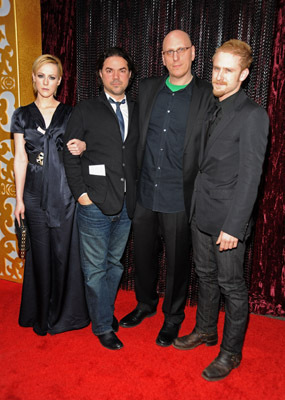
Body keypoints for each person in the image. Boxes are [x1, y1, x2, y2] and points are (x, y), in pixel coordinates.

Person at [173, 40, 269, 381]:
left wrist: (234, 225)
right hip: (202, 211)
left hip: (228, 220)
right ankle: (206, 330)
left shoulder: (253, 116)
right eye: (215, 68)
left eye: (227, 70)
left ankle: (230, 352)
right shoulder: (211, 107)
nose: (218, 76)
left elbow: (251, 178)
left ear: (243, 74)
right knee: (205, 275)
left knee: (232, 285)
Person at [119, 30, 214, 347]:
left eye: (181, 50)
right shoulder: (147, 89)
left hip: (180, 195)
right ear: (161, 57)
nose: (175, 57)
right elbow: (126, 133)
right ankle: (145, 305)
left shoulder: (207, 94)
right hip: (145, 192)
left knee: (177, 263)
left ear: (193, 52)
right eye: (168, 52)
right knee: (143, 256)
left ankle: (173, 317)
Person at [63, 47, 138, 350]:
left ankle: (103, 311)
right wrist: (81, 195)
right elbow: (68, 153)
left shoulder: (138, 109)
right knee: (95, 270)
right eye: (109, 70)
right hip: (94, 205)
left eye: (121, 70)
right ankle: (103, 325)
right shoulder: (85, 109)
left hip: (127, 205)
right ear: (100, 75)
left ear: (130, 75)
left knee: (115, 265)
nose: (116, 75)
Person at [11, 54, 90, 336]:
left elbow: (82, 146)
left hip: (65, 192)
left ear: (59, 81)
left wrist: (81, 145)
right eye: (41, 76)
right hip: (33, 193)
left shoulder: (71, 113)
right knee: (40, 254)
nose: (46, 82)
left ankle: (66, 314)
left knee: (64, 252)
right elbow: (20, 158)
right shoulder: (21, 114)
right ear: (33, 77)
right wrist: (18, 200)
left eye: (52, 77)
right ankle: (41, 314)